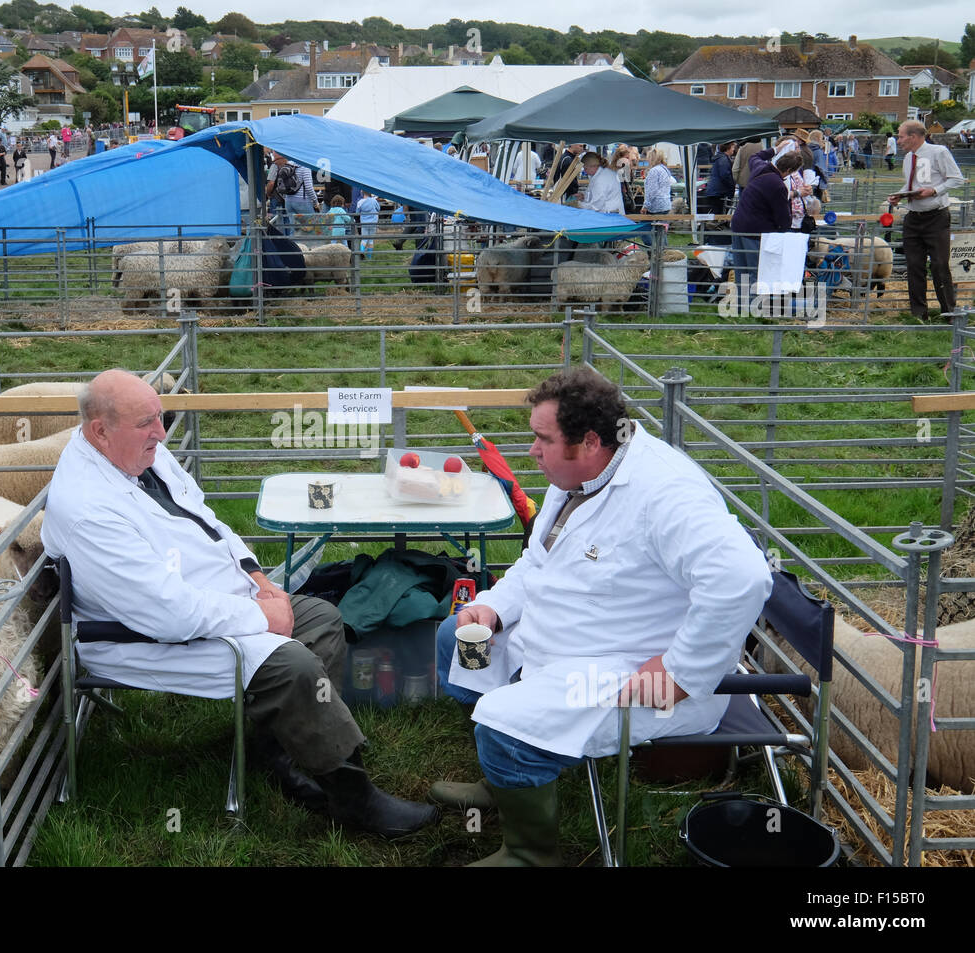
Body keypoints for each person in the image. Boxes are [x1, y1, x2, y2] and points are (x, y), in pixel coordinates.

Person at [40, 369, 440, 838]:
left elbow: (205, 517)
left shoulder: (137, 453)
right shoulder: (89, 510)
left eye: (161, 418)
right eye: (147, 422)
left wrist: (255, 577)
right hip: (146, 637)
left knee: (321, 619)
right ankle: (355, 799)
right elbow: (164, 613)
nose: (161, 433)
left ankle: (280, 753)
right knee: (292, 665)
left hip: (212, 599)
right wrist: (260, 615)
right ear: (99, 431)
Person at [430, 367, 771, 866]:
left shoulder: (665, 494)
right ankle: (502, 775)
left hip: (628, 668)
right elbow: (538, 559)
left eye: (542, 439)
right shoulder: (582, 473)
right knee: (455, 638)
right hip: (563, 637)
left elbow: (743, 578)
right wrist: (495, 607)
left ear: (589, 441)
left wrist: (680, 672)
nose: (531, 450)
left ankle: (531, 854)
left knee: (505, 722)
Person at [888, 119, 966, 320]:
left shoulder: (938, 152)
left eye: (901, 135)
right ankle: (919, 314)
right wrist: (900, 195)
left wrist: (934, 190)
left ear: (913, 137)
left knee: (940, 265)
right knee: (914, 266)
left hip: (936, 217)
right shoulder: (908, 158)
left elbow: (956, 178)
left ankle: (949, 312)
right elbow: (911, 184)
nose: (898, 140)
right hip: (913, 217)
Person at [730, 149, 799, 286]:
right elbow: (783, 219)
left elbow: (755, 155)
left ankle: (742, 305)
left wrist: (775, 149)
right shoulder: (778, 186)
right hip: (755, 231)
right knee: (756, 273)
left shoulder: (760, 167)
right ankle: (754, 305)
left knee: (741, 272)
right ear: (790, 169)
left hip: (738, 224)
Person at [266, 152, 318, 237]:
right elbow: (308, 188)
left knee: (294, 229)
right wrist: (315, 202)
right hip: (303, 201)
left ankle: (294, 249)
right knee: (311, 229)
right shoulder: (304, 167)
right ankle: (309, 248)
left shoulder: (288, 165)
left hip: (289, 201)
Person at [699, 140, 736, 215]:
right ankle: (715, 225)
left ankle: (715, 224)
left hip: (715, 190)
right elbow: (725, 175)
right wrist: (732, 185)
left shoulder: (720, 158)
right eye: (733, 147)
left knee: (717, 212)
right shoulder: (723, 159)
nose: (733, 149)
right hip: (718, 191)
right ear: (728, 148)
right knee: (719, 213)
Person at [641, 149, 676, 215]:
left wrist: (645, 206)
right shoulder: (665, 169)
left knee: (645, 223)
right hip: (666, 204)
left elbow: (652, 191)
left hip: (656, 206)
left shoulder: (654, 171)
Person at [356, 190, 380, 256]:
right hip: (373, 222)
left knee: (364, 239)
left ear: (362, 192)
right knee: (371, 240)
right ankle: (369, 257)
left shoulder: (360, 202)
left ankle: (361, 253)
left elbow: (357, 212)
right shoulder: (374, 201)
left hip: (364, 223)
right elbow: (378, 208)